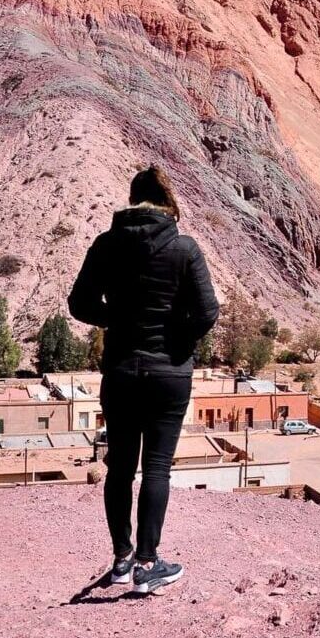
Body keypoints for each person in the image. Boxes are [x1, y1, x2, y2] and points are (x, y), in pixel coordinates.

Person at [69, 166, 220, 594]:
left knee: (120, 467)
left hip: (120, 368)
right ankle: (148, 564)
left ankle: (121, 559)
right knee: (156, 467)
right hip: (169, 373)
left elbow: (79, 303)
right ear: (167, 204)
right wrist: (176, 339)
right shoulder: (184, 248)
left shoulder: (106, 245)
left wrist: (115, 321)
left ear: (132, 201)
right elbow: (208, 312)